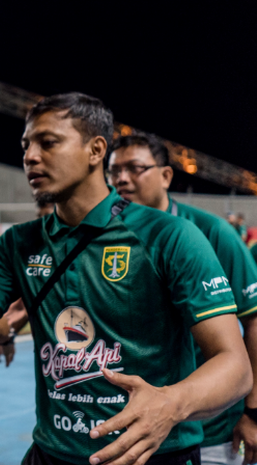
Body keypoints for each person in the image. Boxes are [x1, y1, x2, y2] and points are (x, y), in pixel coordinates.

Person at [0, 92, 252, 465]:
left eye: (48, 143)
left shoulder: (170, 236)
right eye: (26, 145)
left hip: (151, 454)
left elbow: (235, 368)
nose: (30, 156)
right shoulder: (18, 243)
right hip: (52, 453)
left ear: (95, 151)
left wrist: (171, 403)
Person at [107, 133, 257, 465]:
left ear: (166, 175)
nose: (121, 179)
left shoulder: (211, 232)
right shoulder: (106, 238)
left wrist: (254, 412)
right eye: (114, 170)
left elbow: (254, 320)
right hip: (134, 427)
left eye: (134, 168)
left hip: (211, 429)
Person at [0, 199, 53, 367]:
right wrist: (7, 337)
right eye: (39, 216)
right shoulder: (39, 255)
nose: (42, 222)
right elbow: (24, 306)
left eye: (47, 216)